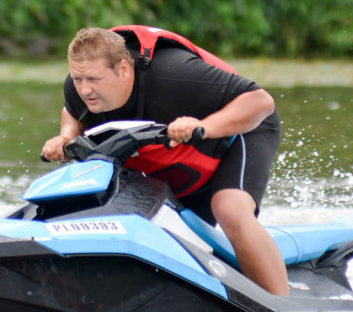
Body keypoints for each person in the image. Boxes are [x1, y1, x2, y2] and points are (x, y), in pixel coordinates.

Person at [41, 26, 289, 296]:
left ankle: (282, 310)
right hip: (181, 154)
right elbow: (72, 111)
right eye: (77, 79)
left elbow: (261, 102)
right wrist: (65, 138)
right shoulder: (78, 89)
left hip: (239, 130)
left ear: (124, 69)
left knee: (229, 208)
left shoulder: (175, 74)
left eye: (93, 79)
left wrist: (204, 125)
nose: (84, 89)